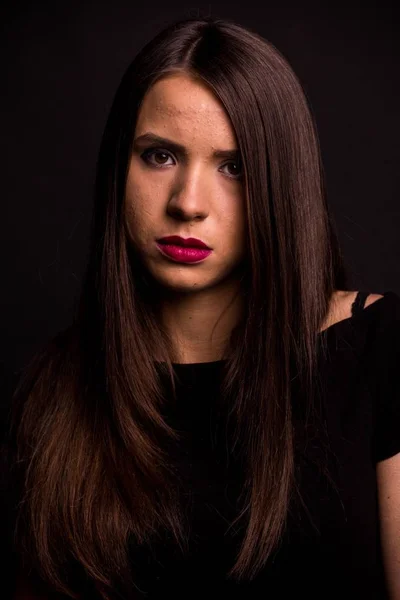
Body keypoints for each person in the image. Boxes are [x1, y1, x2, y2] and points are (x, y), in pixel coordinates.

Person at [1, 15, 399, 600]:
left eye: (233, 167)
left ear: (280, 184)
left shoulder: (380, 348)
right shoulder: (56, 391)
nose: (188, 203)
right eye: (159, 156)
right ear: (119, 167)